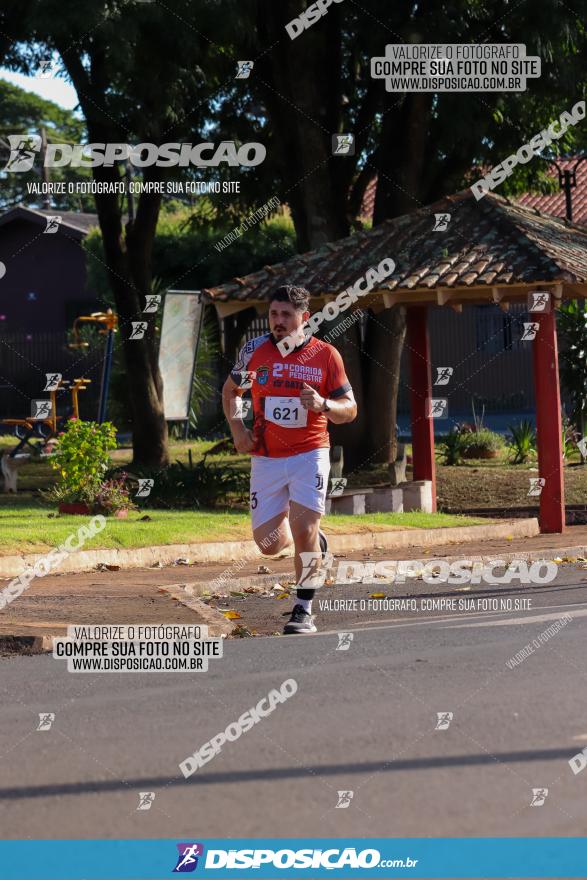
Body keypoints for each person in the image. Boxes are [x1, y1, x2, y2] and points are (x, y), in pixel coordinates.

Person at [222, 285, 357, 633]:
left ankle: (303, 608)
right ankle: (316, 543)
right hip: (266, 457)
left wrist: (324, 405)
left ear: (304, 318)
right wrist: (238, 428)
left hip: (310, 453)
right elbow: (231, 390)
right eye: (273, 314)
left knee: (304, 527)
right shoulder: (256, 351)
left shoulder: (325, 356)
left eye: (286, 315)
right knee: (267, 544)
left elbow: (350, 409)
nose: (278, 322)